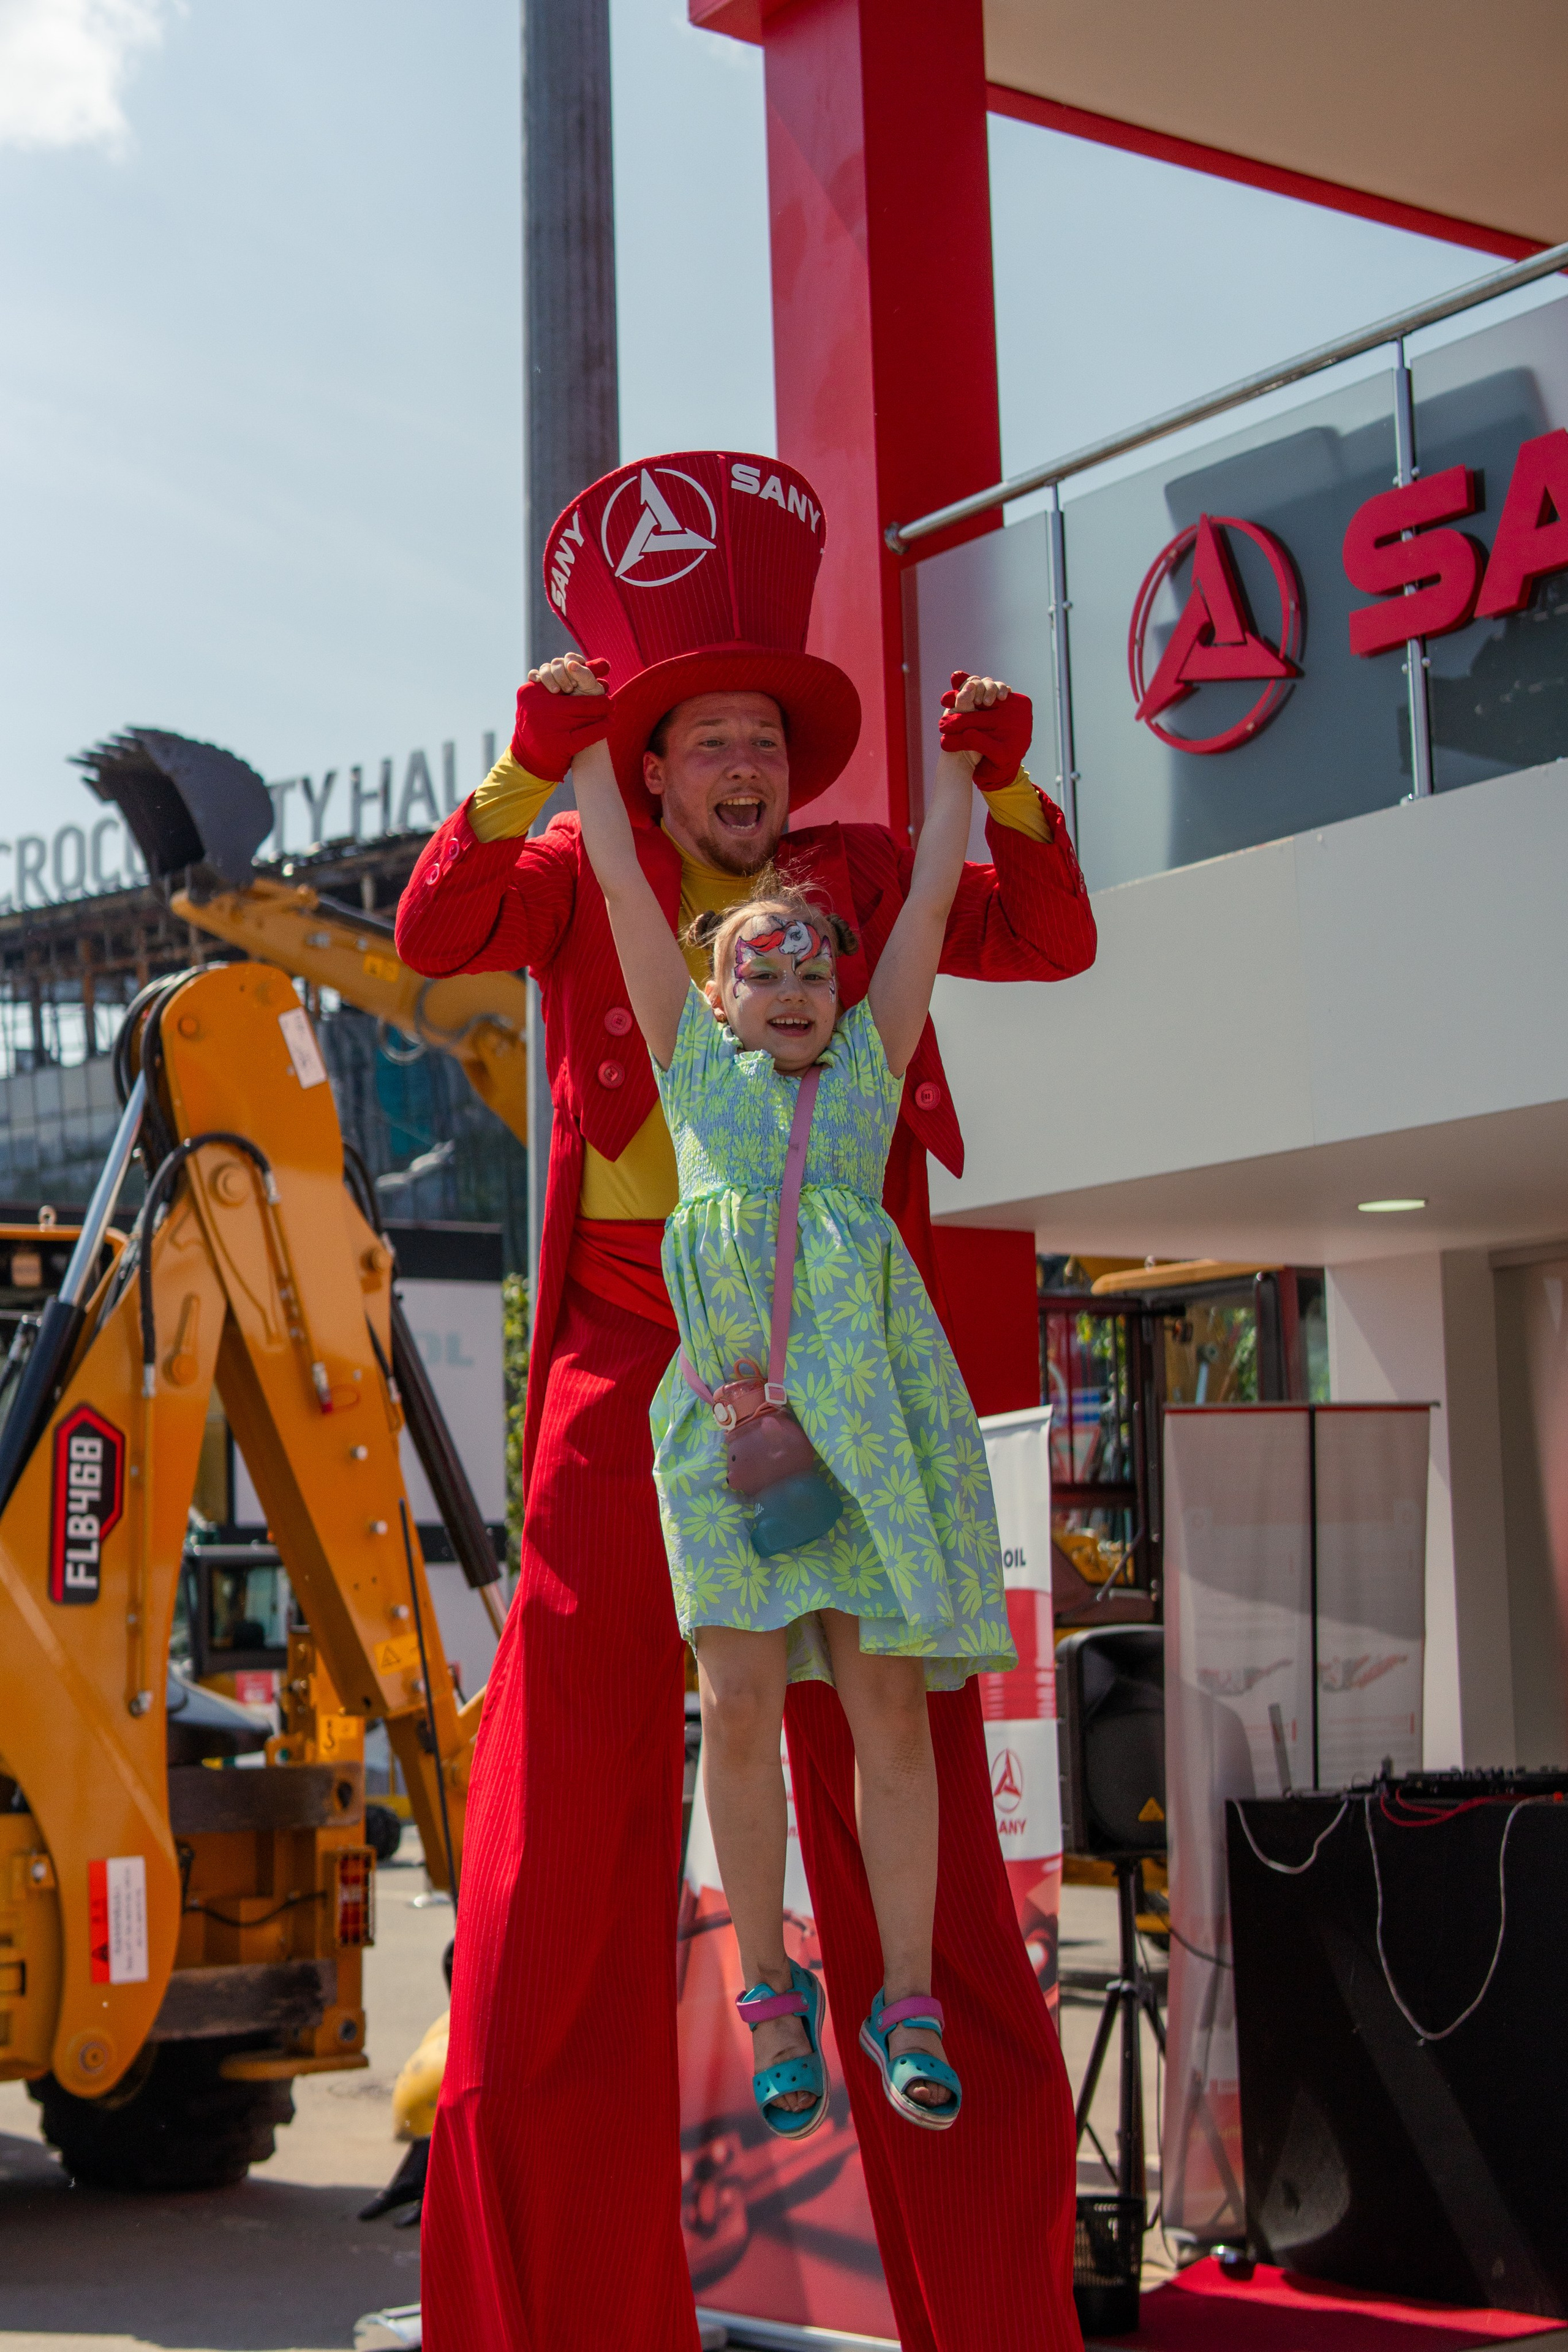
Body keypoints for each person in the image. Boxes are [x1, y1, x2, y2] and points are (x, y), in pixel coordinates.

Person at [397, 448, 1096, 2352]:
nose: (743, 764)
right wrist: (522, 770)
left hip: (841, 1358)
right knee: (557, 1877)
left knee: (912, 1823)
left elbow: (1045, 931)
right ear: (647, 770)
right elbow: (433, 934)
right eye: (704, 734)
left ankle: (994, 2319)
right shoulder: (581, 869)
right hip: (630, 1367)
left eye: (766, 736)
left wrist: (1005, 786)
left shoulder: (856, 881)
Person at [565, 648, 1023, 2143]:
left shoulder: (868, 1074)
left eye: (810, 969)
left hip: (870, 1442)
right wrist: (579, 757)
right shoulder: (696, 1081)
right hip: (732, 1437)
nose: (788, 988)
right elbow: (622, 892)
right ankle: (768, 1989)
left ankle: (906, 1997)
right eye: (757, 970)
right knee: (739, 1700)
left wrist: (960, 773)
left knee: (889, 1709)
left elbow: (930, 910)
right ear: (713, 996)